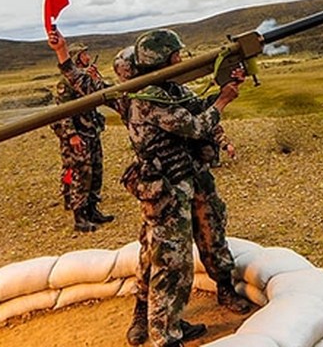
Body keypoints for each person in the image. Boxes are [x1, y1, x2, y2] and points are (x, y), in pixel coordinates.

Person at [115, 46, 252, 346]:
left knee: (210, 232)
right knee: (164, 259)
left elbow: (194, 107)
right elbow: (195, 124)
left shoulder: (170, 90)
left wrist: (223, 88)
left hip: (191, 174)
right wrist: (224, 100)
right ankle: (157, 325)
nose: (181, 59)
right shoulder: (143, 98)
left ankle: (213, 295)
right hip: (166, 187)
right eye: (176, 55)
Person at [46, 26, 116, 232]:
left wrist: (96, 79)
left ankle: (93, 209)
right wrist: (72, 135)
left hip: (91, 131)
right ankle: (79, 215)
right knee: (79, 173)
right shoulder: (65, 84)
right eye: (84, 54)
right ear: (76, 58)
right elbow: (63, 112)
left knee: (95, 171)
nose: (87, 56)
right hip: (78, 135)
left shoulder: (86, 78)